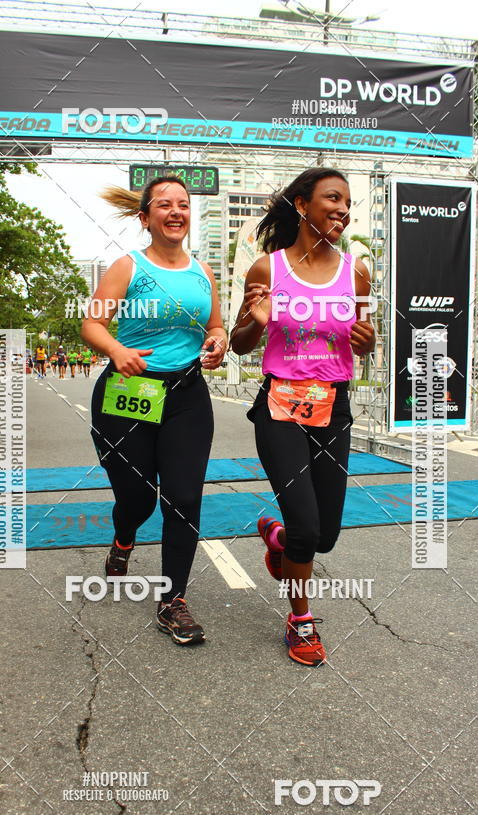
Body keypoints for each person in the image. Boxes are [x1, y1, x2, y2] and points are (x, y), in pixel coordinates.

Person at [231, 167, 375, 666]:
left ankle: (277, 537)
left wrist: (369, 341)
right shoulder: (267, 269)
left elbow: (365, 333)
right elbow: (238, 342)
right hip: (280, 405)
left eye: (347, 201)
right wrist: (254, 319)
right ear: (301, 205)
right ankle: (301, 620)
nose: (342, 208)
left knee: (325, 535)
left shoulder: (355, 271)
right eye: (332, 198)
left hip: (333, 405)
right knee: (308, 528)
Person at [81, 176, 227, 645]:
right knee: (139, 499)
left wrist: (218, 344)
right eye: (163, 205)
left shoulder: (203, 273)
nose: (175, 211)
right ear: (146, 218)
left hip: (186, 394)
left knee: (183, 499)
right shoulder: (129, 266)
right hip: (130, 391)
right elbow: (93, 323)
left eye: (183, 204)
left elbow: (216, 328)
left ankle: (172, 601)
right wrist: (115, 350)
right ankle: (124, 538)